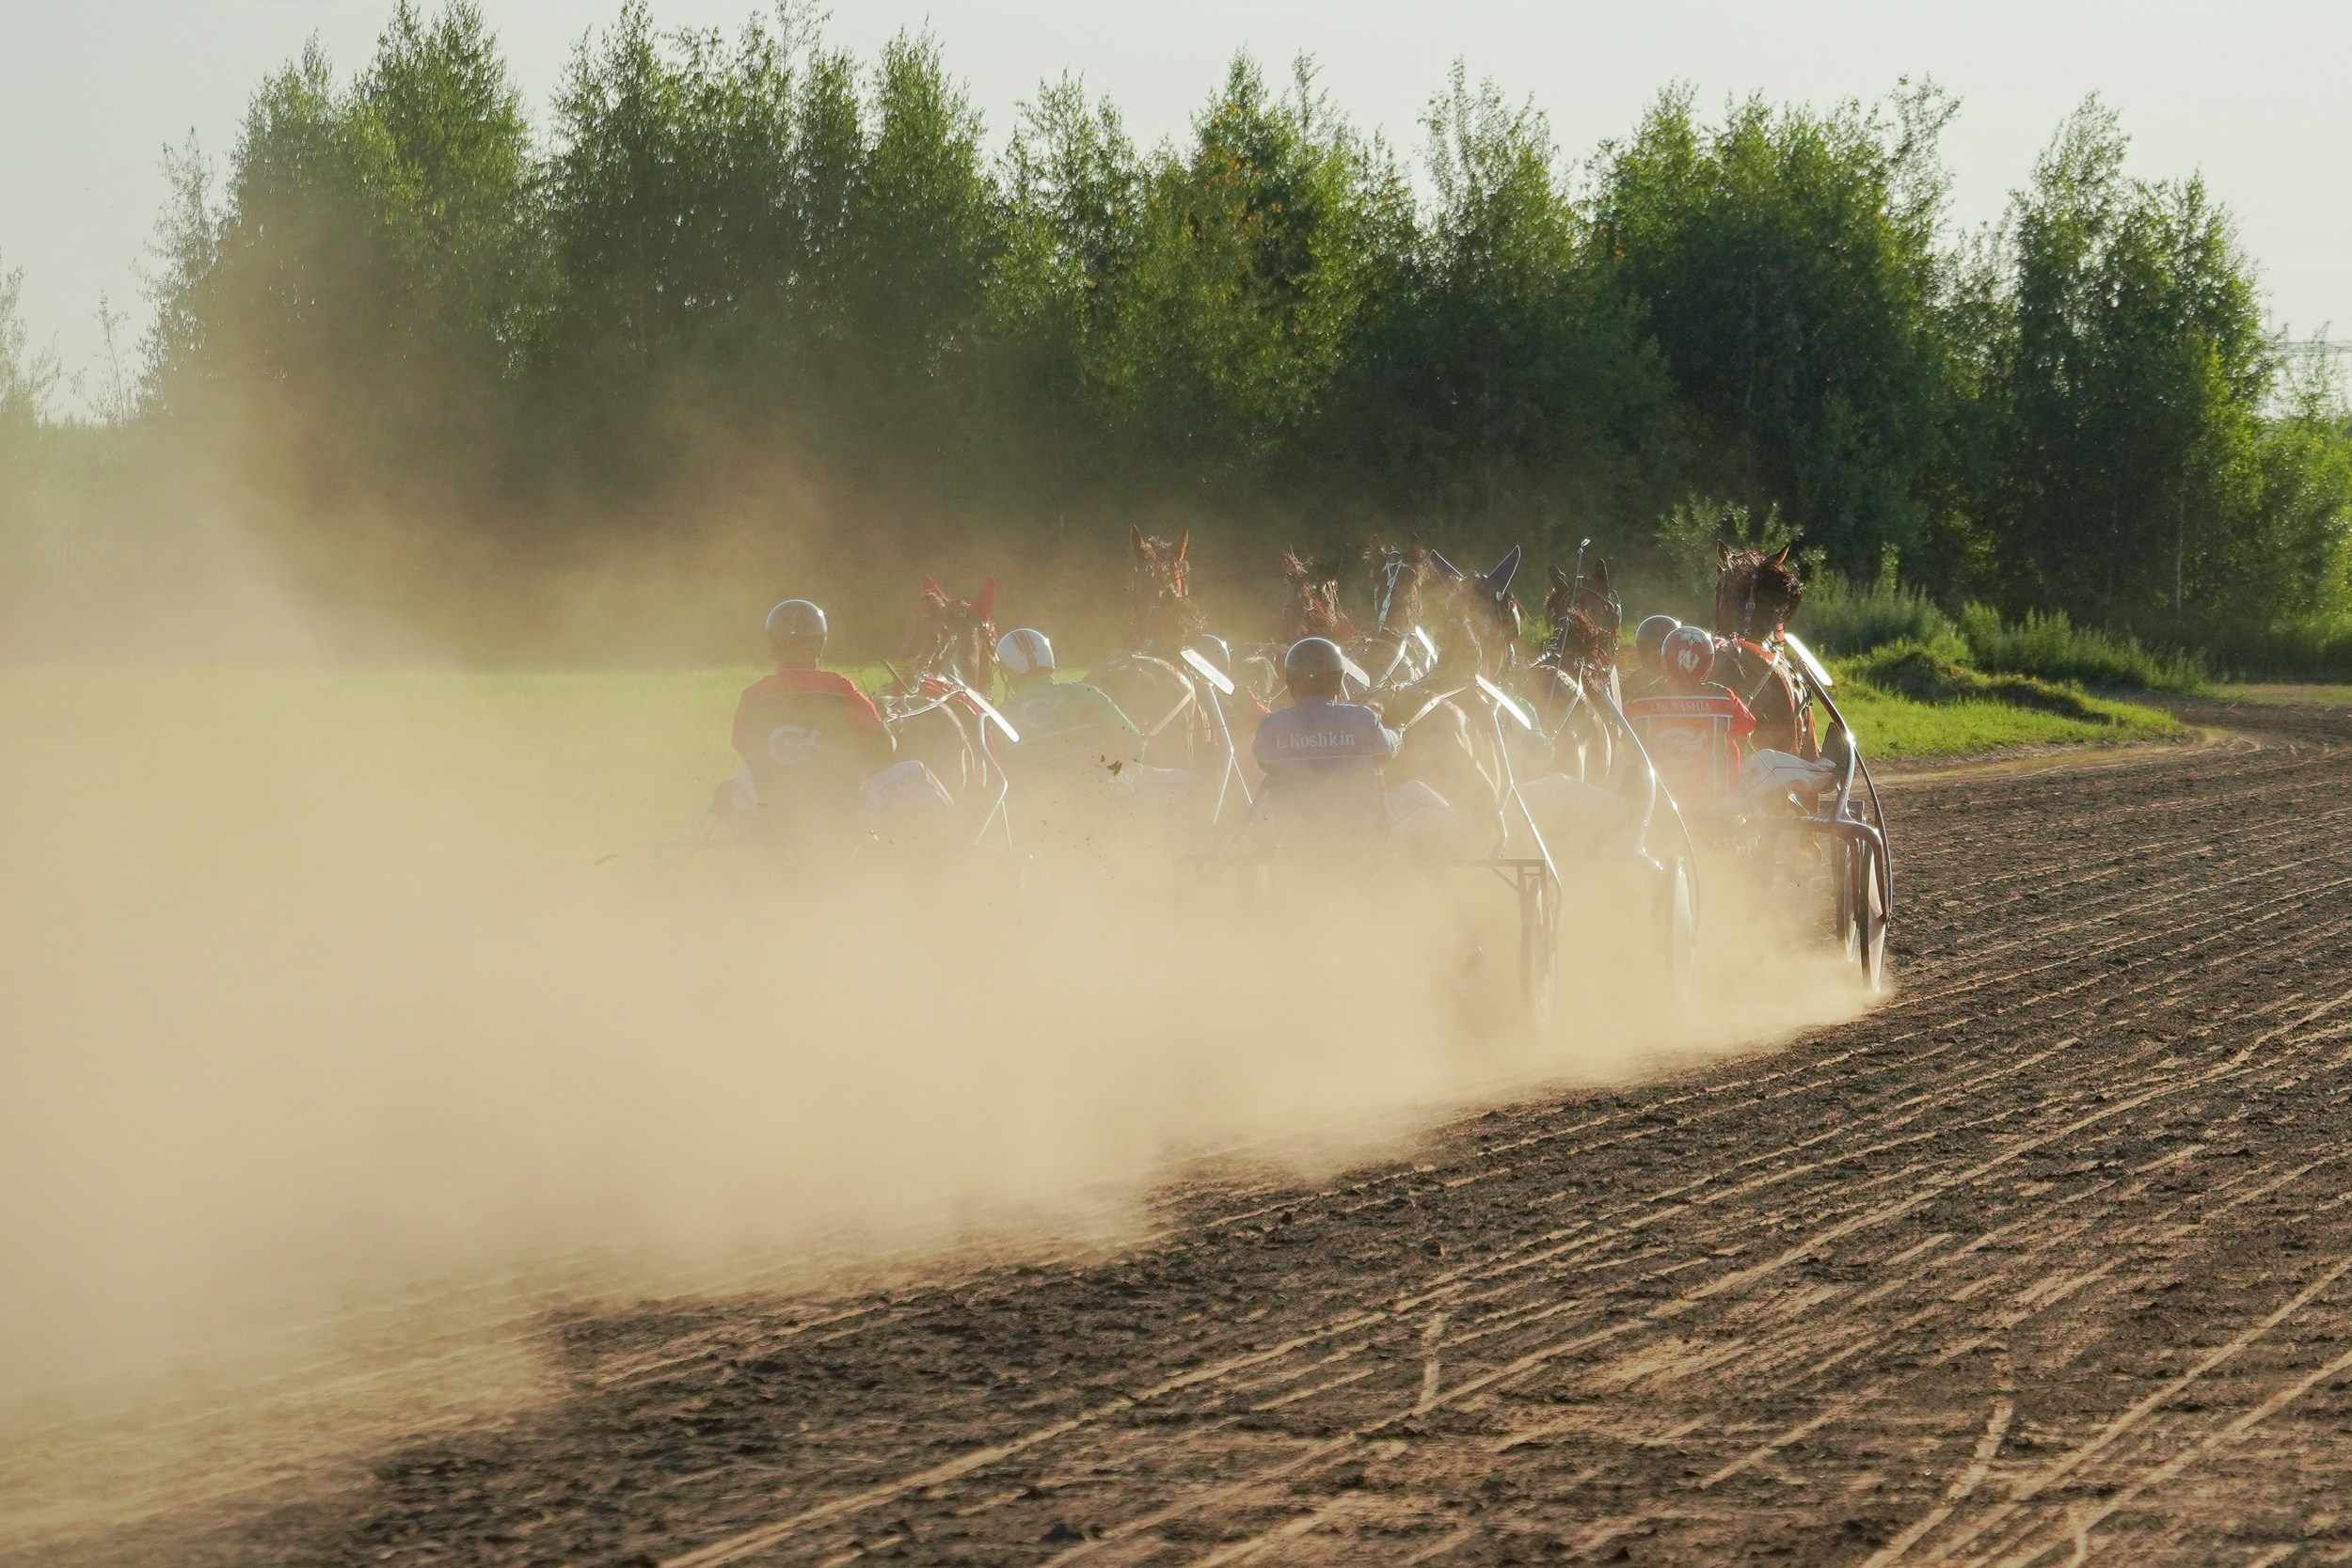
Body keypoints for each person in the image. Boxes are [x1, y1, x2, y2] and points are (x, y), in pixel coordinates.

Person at [720, 599, 946, 846]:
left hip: (774, 813)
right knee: (920, 774)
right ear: (819, 643)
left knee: (738, 777)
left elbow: (742, 746)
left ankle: (749, 843)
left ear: (772, 644)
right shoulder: (840, 688)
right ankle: (948, 856)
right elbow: (884, 746)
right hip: (844, 812)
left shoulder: (752, 696)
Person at [1250, 637, 1403, 837]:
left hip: (1293, 837)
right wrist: (1398, 732)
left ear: (1291, 682)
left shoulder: (1270, 724)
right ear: (1337, 680)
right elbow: (1388, 751)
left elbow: (1265, 762)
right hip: (1357, 838)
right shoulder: (1363, 718)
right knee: (1418, 792)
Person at [1623, 625, 1756, 807]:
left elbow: (1626, 742)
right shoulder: (1724, 698)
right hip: (1717, 803)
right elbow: (1748, 726)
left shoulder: (1638, 701)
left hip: (1656, 804)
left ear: (1665, 658)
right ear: (1708, 662)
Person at [993, 628, 1145, 778]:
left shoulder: (997, 719)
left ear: (1005, 671)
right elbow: (1134, 744)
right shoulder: (1087, 694)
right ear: (1049, 658)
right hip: (1102, 794)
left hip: (1035, 799)